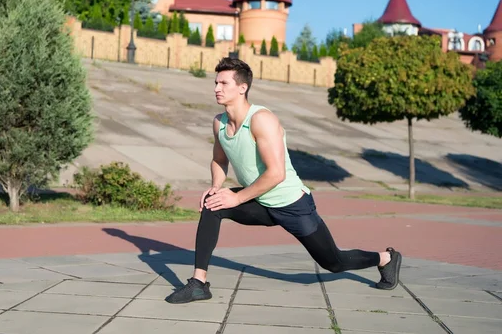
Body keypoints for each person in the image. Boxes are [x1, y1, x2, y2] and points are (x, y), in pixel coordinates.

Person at [165, 57, 402, 304]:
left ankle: (385, 258)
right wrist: (216, 186)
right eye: (216, 82)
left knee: (334, 262)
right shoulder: (219, 123)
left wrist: (236, 196)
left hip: (292, 205)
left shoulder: (261, 120)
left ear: (242, 88)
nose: (217, 88)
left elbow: (276, 173)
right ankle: (198, 284)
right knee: (213, 205)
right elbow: (218, 160)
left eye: (224, 83)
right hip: (258, 202)